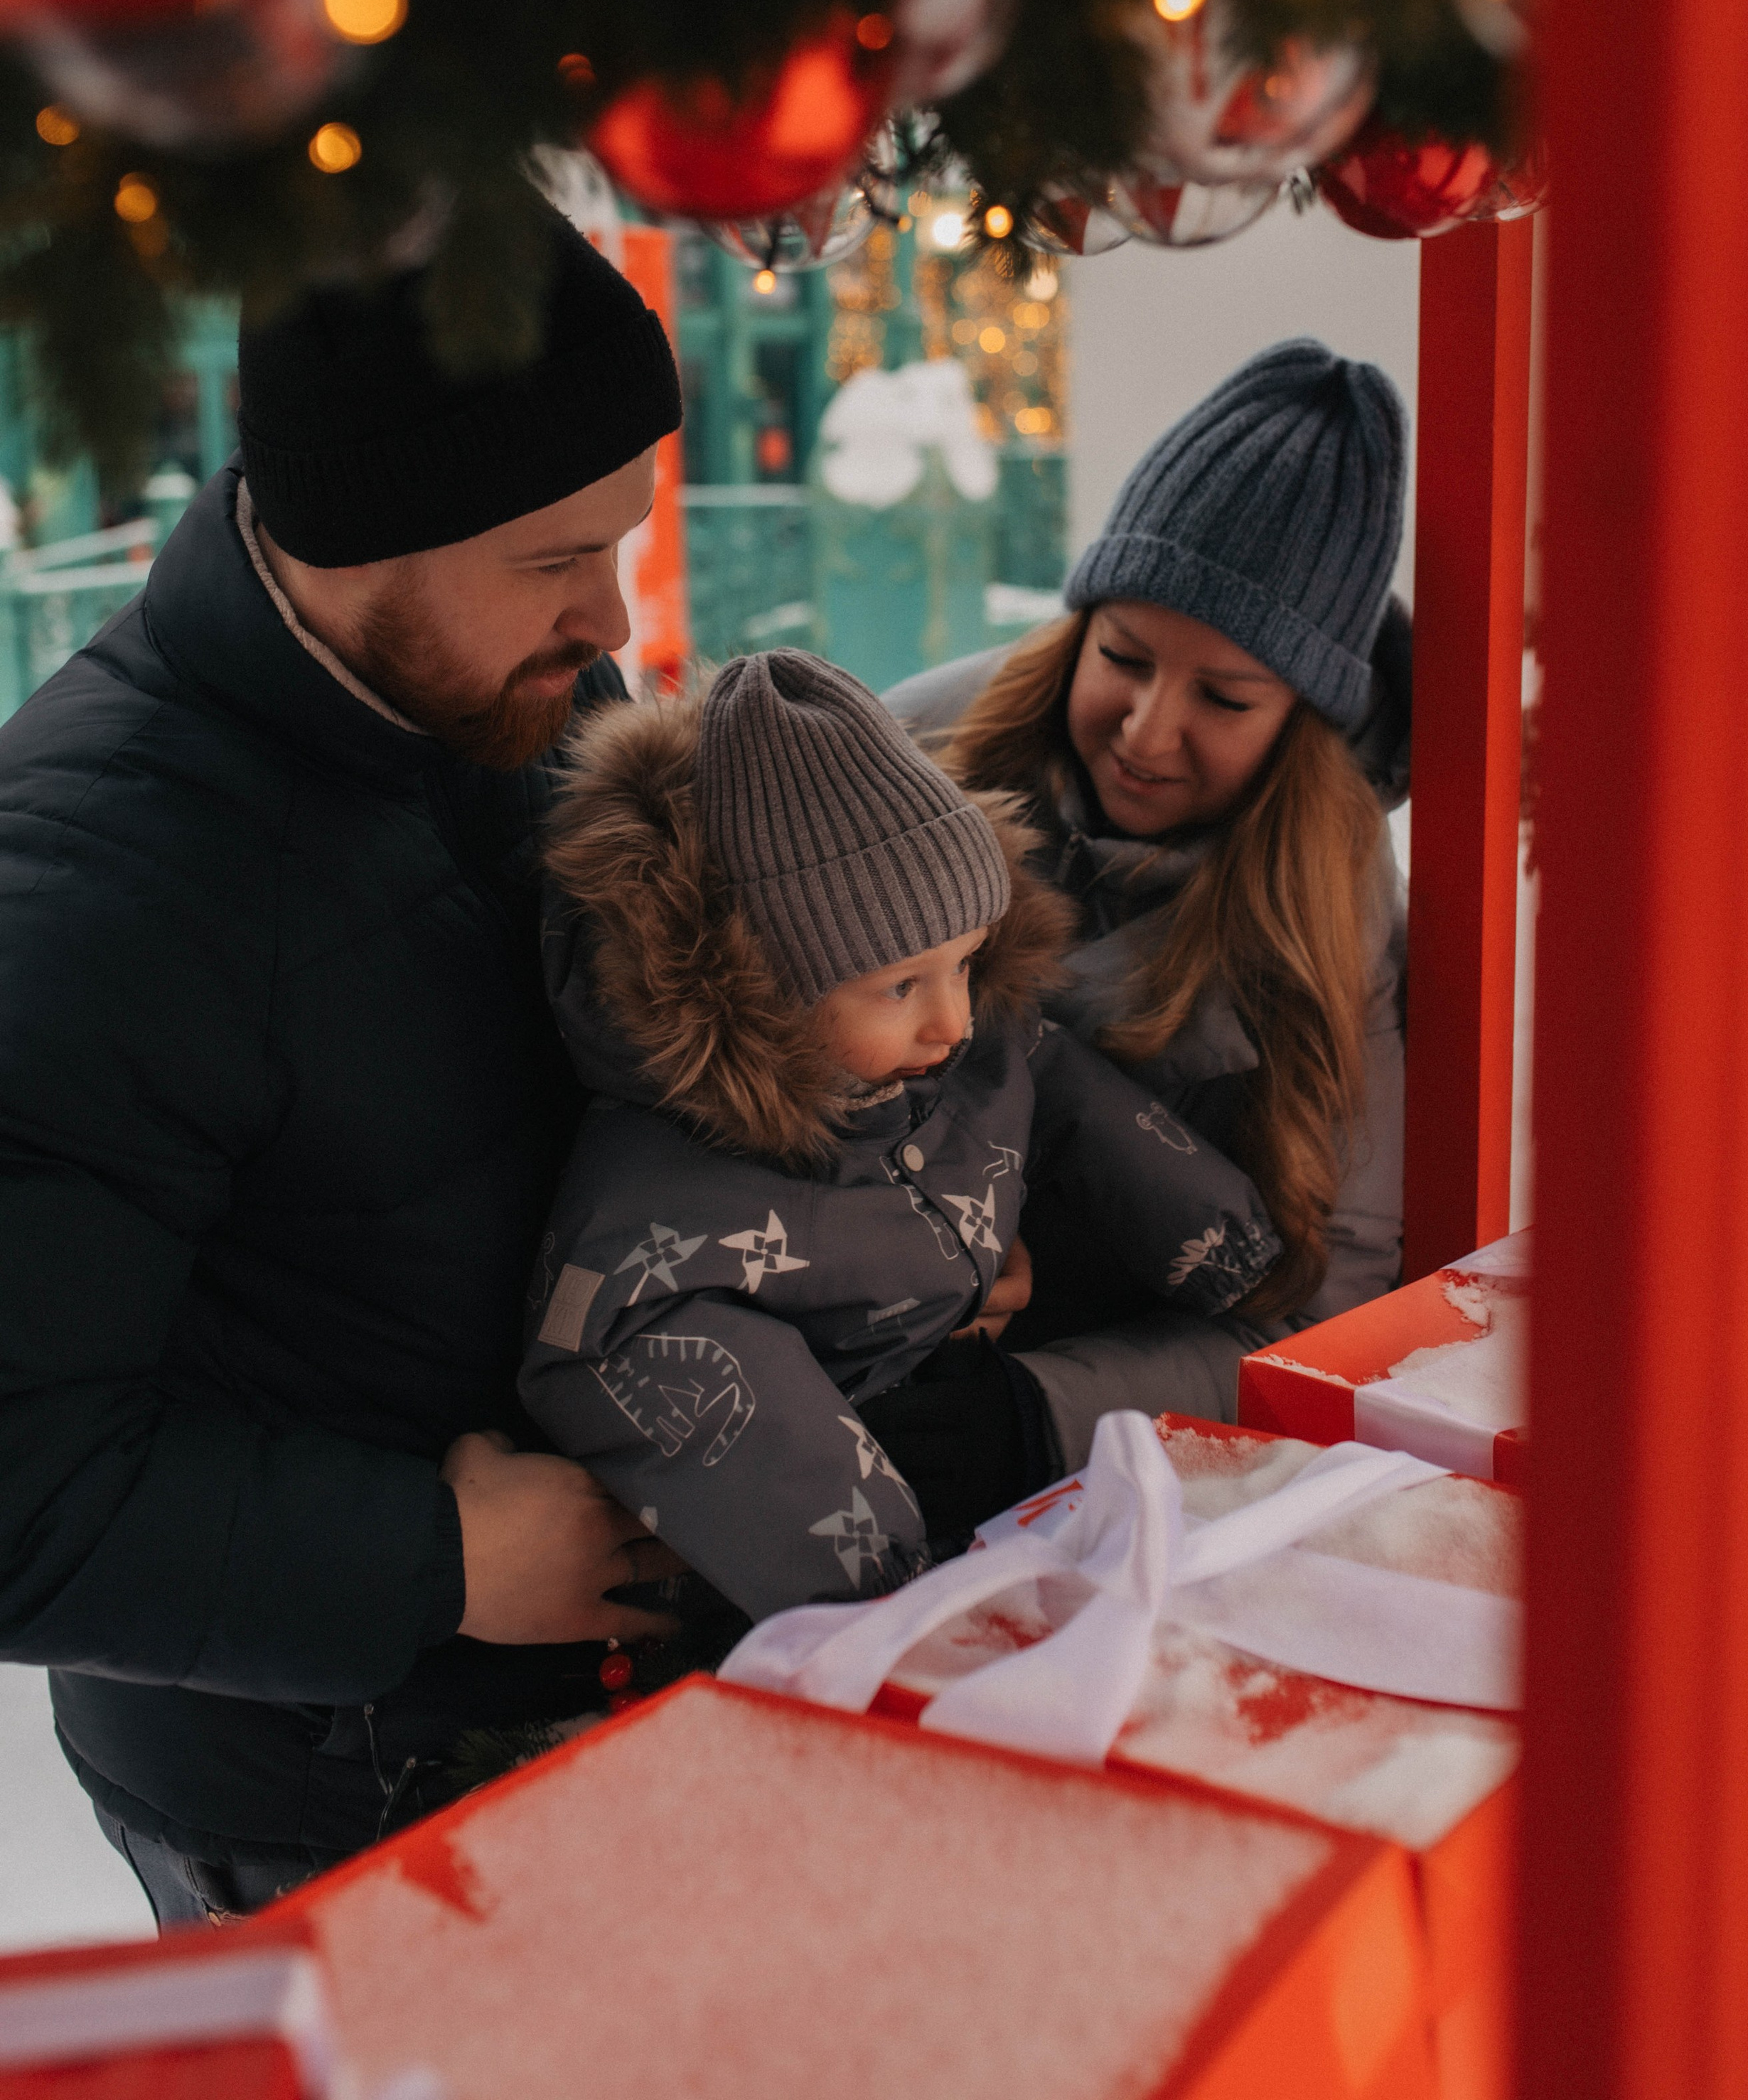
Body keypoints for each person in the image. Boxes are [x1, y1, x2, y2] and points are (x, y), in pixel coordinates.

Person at [0, 204, 690, 1927]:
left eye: (620, 538)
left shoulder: (507, 694)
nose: (607, 615)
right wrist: (436, 1563)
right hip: (333, 1800)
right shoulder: (86, 892)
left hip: (591, 1714)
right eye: (553, 559)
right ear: (366, 533)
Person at [520, 651, 1282, 1619]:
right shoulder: (672, 1187)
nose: (953, 1021)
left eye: (965, 963)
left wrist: (1213, 1233)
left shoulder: (953, 1051)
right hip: (838, 1552)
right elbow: (621, 1337)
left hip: (982, 1459)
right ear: (766, 988)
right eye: (901, 987)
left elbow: (1060, 1082)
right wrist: (872, 1560)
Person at [887, 338, 1410, 1468]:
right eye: (1124, 655)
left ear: (1302, 720)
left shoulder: (1335, 918)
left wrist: (1039, 1412)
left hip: (1084, 1455)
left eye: (1225, 697)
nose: (1148, 730)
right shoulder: (913, 756)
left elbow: (1332, 1308)